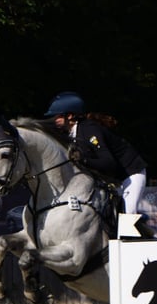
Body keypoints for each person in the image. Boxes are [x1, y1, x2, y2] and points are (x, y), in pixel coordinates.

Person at [43, 91, 150, 220]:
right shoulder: (71, 134)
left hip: (130, 174)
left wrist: (82, 160)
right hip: (112, 178)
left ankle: (140, 224)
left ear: (70, 116)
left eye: (57, 117)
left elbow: (109, 163)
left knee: (127, 214)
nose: (53, 121)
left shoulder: (90, 130)